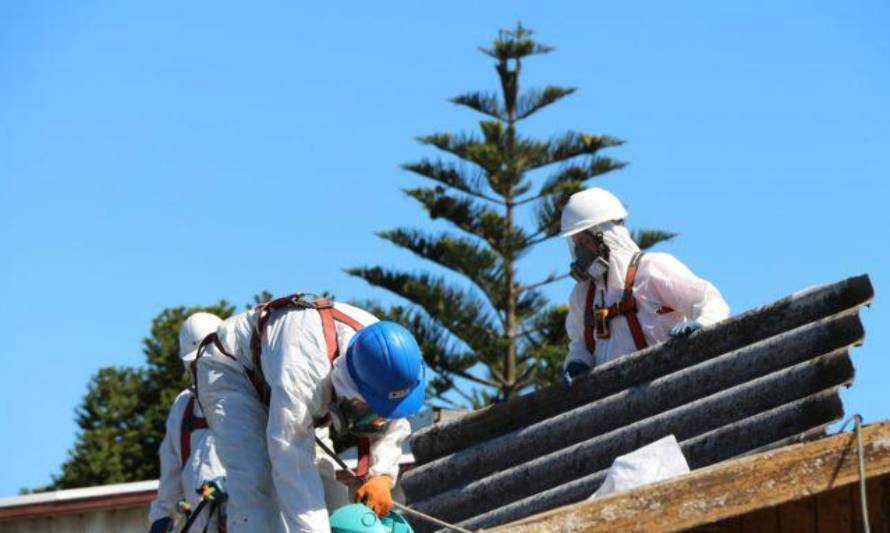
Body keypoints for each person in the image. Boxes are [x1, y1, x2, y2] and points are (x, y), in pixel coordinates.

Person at [196, 294, 425, 533]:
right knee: (257, 485)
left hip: (284, 379)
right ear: (353, 385)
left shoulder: (390, 357)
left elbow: (393, 415)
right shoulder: (303, 371)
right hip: (233, 374)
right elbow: (291, 460)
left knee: (328, 492)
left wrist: (382, 475)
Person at [560, 188, 730, 386]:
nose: (580, 252)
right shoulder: (583, 296)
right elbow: (580, 342)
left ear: (606, 236)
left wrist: (703, 324)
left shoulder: (652, 269)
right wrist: (577, 362)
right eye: (576, 244)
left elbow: (706, 298)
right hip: (614, 400)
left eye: (585, 241)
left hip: (667, 384)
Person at [148, 312, 227, 532]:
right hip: (199, 524)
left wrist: (234, 483)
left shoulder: (249, 398)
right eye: (197, 363)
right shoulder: (183, 407)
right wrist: (161, 516)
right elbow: (171, 473)